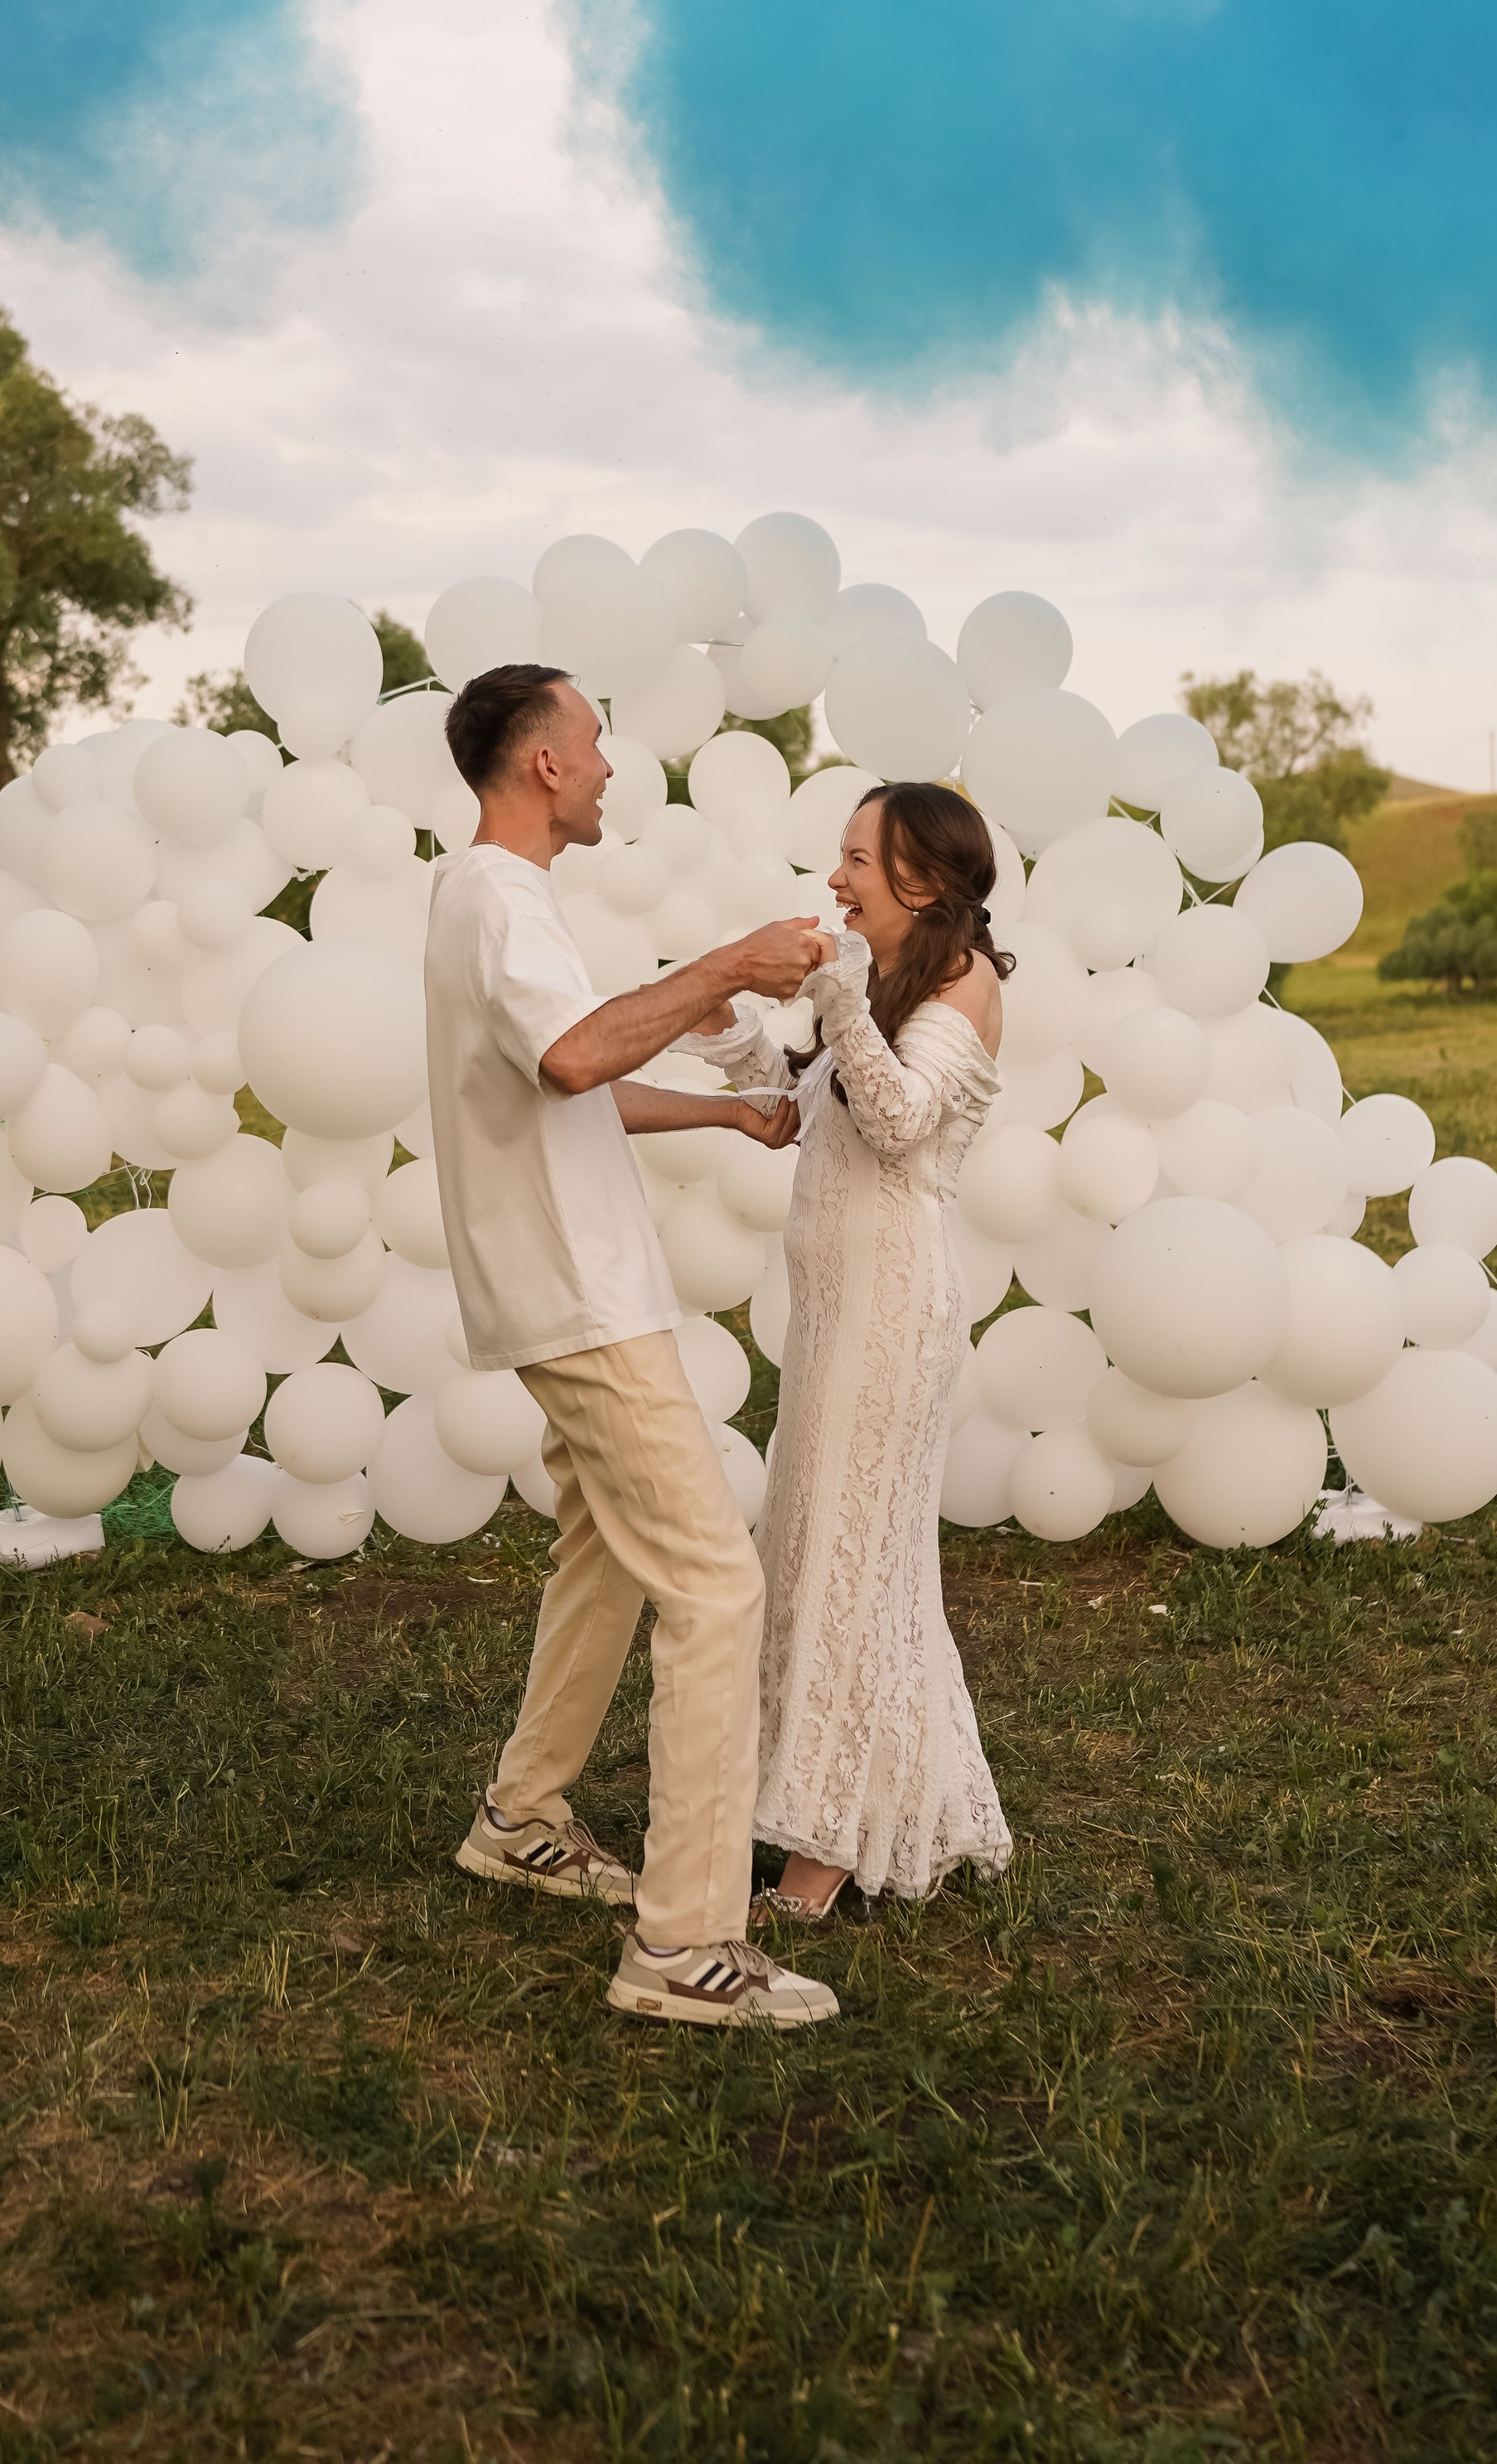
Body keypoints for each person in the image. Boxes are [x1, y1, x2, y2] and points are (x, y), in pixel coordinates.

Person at [424, 660, 840, 2031]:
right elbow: (572, 1060)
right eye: (592, 744)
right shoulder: (498, 897)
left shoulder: (496, 900)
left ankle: (522, 1813)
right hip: (579, 1293)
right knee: (718, 1587)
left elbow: (571, 1081)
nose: (607, 767)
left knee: (605, 1545)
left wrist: (723, 1116)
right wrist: (726, 964)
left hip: (570, 1281)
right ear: (542, 764)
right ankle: (685, 1949)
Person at [688, 781, 1015, 1920]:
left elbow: (900, 1121)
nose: (836, 879)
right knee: (819, 1547)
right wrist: (728, 1026)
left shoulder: (965, 985)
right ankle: (855, 1800)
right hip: (833, 1313)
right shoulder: (886, 984)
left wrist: (832, 994)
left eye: (857, 860)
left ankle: (824, 1852)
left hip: (892, 1313)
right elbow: (804, 1113)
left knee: (856, 1560)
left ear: (921, 878)